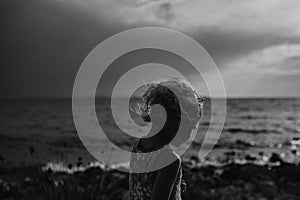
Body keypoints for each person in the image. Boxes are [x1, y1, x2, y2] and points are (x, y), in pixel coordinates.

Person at [129, 77, 204, 200]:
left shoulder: (138, 146)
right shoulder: (170, 160)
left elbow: (144, 183)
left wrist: (175, 186)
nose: (192, 132)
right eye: (192, 127)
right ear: (178, 122)